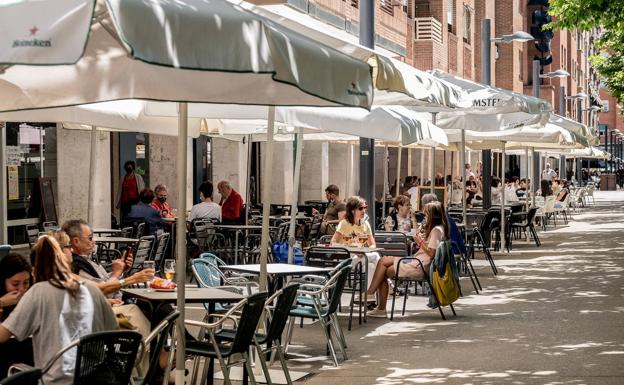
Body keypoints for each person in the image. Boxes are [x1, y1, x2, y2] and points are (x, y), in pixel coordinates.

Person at [0, 236, 118, 385]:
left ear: (34, 270)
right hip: (97, 378)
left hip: (57, 380)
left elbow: (1, 336)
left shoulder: (38, 292)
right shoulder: (92, 290)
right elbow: (113, 330)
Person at [366, 201, 449, 317]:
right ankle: (372, 297)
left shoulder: (436, 231)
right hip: (417, 262)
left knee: (383, 271)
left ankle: (376, 302)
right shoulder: (439, 228)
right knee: (383, 261)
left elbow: (431, 253)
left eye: (426, 214)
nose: (425, 217)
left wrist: (418, 240)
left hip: (420, 266)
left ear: (432, 216)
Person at [62, 220, 154, 297]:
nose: (93, 242)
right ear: (76, 241)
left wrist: (121, 270)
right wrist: (117, 274)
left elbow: (104, 282)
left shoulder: (84, 260)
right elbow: (104, 291)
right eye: (90, 238)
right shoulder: (77, 265)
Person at [0, 254, 34, 379]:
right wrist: (1, 303)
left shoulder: (32, 295)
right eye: (15, 284)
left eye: (26, 283)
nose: (21, 289)